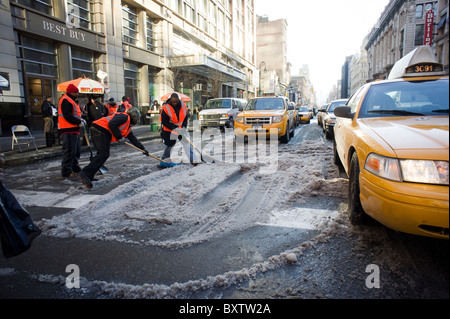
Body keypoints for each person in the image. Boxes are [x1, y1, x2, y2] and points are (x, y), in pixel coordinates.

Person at [79, 107, 149, 189]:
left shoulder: (127, 127)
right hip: (100, 130)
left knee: (102, 154)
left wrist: (142, 149)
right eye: (137, 119)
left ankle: (89, 176)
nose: (137, 121)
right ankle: (85, 173)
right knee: (103, 154)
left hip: (100, 130)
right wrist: (119, 137)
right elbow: (112, 124)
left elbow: (133, 139)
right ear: (134, 116)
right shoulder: (125, 117)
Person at [160, 93, 196, 164]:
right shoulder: (166, 108)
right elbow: (164, 122)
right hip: (170, 130)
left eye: (176, 101)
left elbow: (185, 118)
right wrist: (174, 127)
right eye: (173, 101)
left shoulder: (183, 105)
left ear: (178, 100)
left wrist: (184, 127)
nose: (175, 103)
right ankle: (164, 160)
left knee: (186, 143)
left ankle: (193, 159)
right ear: (170, 100)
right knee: (170, 145)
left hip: (181, 129)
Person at [58, 84, 85, 178]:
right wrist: (78, 122)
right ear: (72, 92)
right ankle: (66, 172)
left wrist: (80, 121)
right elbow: (67, 116)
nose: (78, 94)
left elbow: (74, 114)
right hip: (67, 130)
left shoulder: (72, 101)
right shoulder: (66, 100)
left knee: (76, 151)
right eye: (76, 92)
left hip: (74, 129)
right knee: (69, 151)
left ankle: (74, 167)